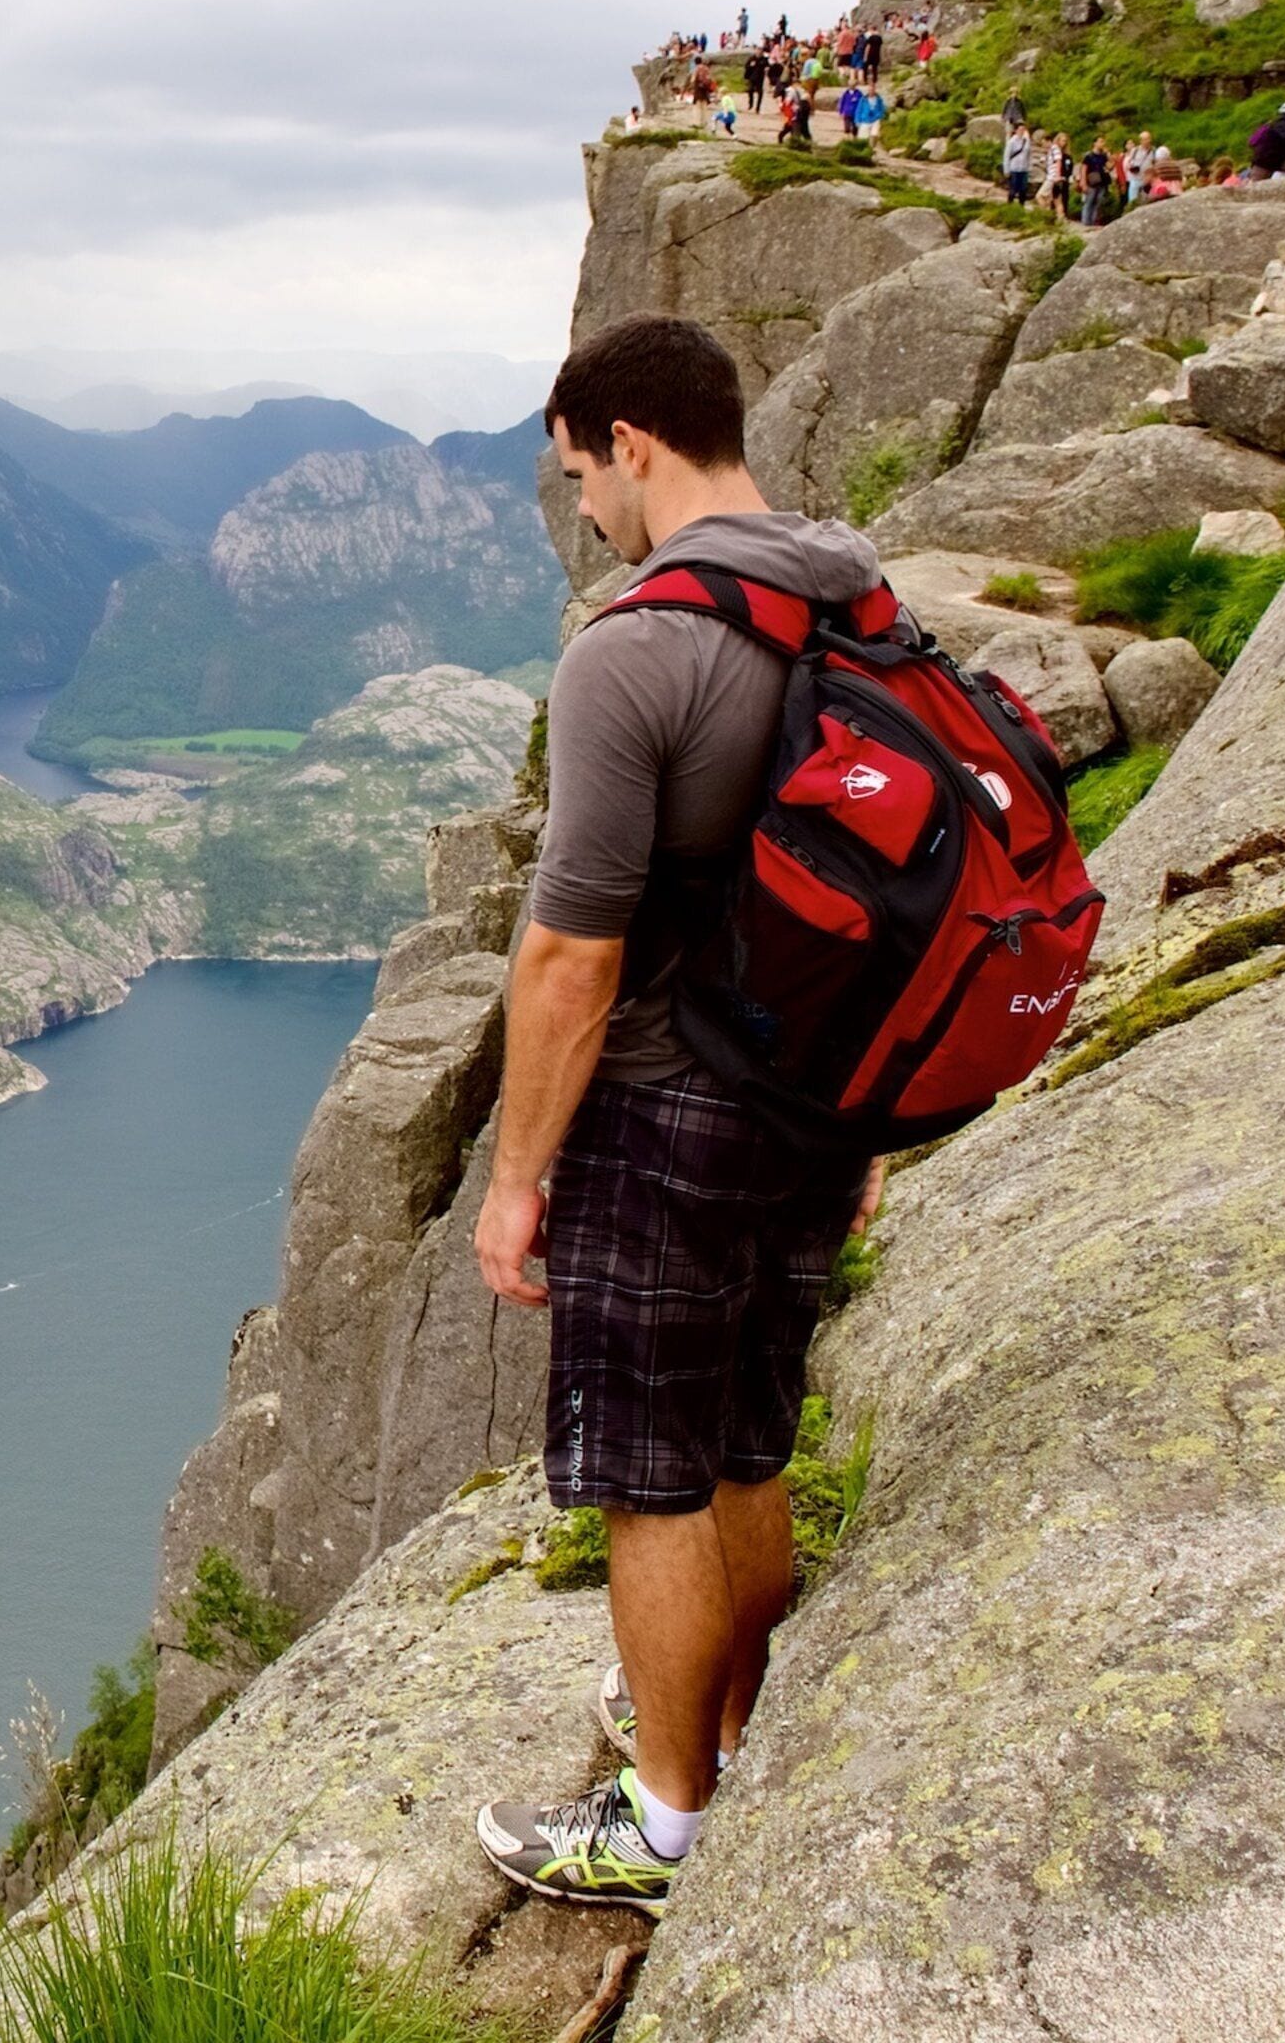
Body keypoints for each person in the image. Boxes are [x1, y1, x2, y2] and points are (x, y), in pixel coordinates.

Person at [469, 314, 884, 1915]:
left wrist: (516, 1185)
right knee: (748, 1442)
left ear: (629, 442)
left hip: (666, 1116)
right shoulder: (850, 592)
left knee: (649, 1475)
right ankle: (722, 1720)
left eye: (577, 475)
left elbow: (572, 953)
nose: (583, 508)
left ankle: (659, 1819)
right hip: (812, 1102)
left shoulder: (636, 647)